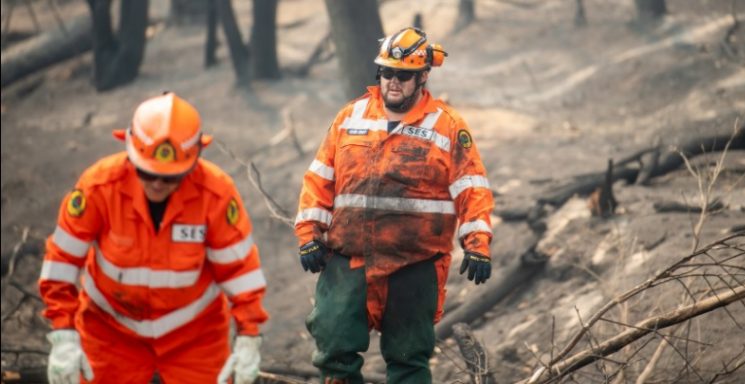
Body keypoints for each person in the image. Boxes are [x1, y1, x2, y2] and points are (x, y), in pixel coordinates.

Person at [294, 27, 495, 383]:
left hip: (414, 264)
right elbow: (319, 180)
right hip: (348, 257)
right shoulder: (349, 118)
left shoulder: (447, 126)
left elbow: (472, 188)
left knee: (409, 358)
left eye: (403, 75)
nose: (394, 82)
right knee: (334, 347)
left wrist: (477, 245)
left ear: (423, 77)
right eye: (387, 73)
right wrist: (309, 234)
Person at [38, 92, 269, 384]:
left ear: (194, 161)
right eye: (147, 173)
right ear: (130, 152)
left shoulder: (216, 195)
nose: (158, 184)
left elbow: (241, 272)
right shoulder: (99, 187)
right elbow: (62, 262)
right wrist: (63, 334)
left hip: (195, 338)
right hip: (110, 332)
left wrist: (249, 337)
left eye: (171, 177)